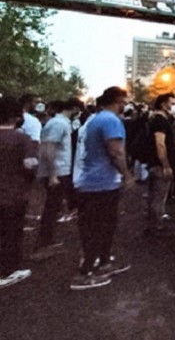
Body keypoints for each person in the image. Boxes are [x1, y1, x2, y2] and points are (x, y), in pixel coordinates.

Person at [72, 87, 132, 290]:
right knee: (95, 227)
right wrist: (127, 174)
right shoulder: (110, 120)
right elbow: (116, 152)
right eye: (124, 100)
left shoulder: (97, 119)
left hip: (96, 182)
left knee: (105, 225)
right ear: (117, 100)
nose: (126, 104)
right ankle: (85, 273)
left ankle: (104, 263)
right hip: (100, 184)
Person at [32, 98, 83, 261]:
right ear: (74, 108)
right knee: (51, 208)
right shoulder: (59, 124)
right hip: (57, 172)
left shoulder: (60, 123)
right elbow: (49, 148)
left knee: (53, 207)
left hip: (59, 170)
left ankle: (46, 242)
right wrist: (53, 174)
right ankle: (42, 245)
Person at [0, 97, 38, 289]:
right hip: (14, 194)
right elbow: (30, 165)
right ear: (16, 117)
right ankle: (8, 270)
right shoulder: (22, 139)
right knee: (12, 232)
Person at [146, 93, 175, 235]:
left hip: (158, 163)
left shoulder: (162, 119)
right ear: (163, 104)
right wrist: (165, 165)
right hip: (160, 165)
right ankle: (156, 227)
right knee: (158, 196)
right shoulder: (160, 121)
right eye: (171, 103)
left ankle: (155, 223)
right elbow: (160, 144)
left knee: (157, 195)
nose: (173, 106)